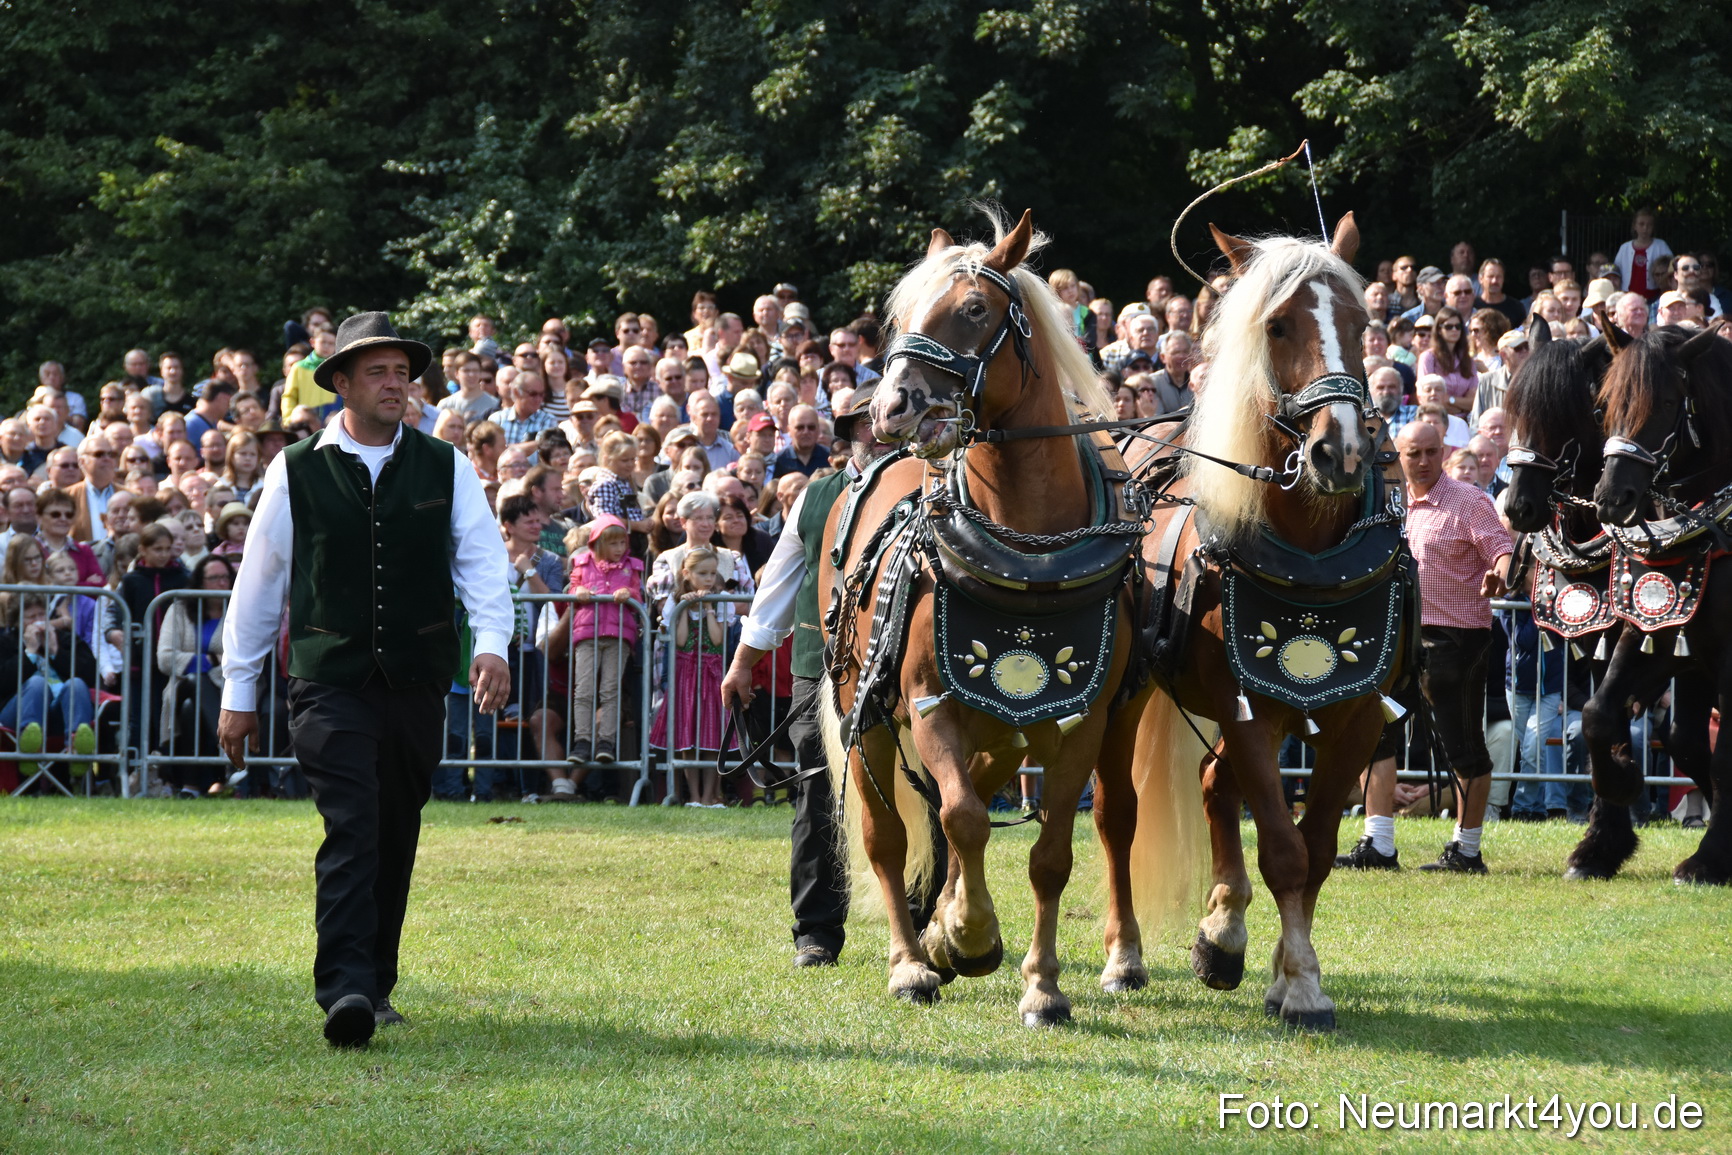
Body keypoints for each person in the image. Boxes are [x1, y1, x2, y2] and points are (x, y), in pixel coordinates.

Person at [217, 311, 513, 1049]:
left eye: (402, 371)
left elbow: (482, 564)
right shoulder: (296, 469)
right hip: (329, 680)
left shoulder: (445, 466)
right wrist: (237, 692)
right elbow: (257, 587)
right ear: (340, 381)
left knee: (396, 826)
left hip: (415, 679)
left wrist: (495, 645)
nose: (395, 383)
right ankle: (345, 985)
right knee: (352, 823)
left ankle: (376, 981)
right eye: (377, 371)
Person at [1339, 421, 1512, 874]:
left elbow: (1499, 545)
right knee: (1375, 734)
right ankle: (1377, 844)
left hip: (1456, 639)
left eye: (1431, 452)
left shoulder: (1470, 501)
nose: (1421, 462)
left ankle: (1467, 850)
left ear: (1443, 451)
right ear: (1398, 455)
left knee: (1463, 746)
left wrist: (1501, 570)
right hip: (1396, 636)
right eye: (1412, 453)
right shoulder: (1385, 503)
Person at [649, 546, 733, 806]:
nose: (709, 578)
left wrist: (707, 607)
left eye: (712, 573)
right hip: (686, 674)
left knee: (712, 736)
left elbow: (718, 640)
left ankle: (710, 796)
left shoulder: (720, 600)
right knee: (687, 735)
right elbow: (682, 639)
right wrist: (687, 605)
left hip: (712, 672)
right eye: (702, 573)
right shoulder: (677, 600)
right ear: (687, 573)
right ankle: (693, 796)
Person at [563, 515, 642, 784]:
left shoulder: (632, 567)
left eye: (622, 542)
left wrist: (629, 594)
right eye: (613, 543)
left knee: (610, 690)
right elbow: (573, 588)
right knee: (583, 689)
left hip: (619, 634)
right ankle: (582, 741)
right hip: (587, 633)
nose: (619, 548)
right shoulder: (581, 563)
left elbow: (638, 594)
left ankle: (605, 742)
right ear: (597, 544)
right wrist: (580, 590)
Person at [157, 554, 234, 797]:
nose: (222, 583)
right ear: (200, 582)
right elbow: (165, 659)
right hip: (181, 687)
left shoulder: (239, 611)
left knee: (191, 708)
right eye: (214, 578)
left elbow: (238, 658)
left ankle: (190, 787)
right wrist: (211, 660)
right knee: (193, 683)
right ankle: (229, 755)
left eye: (225, 577)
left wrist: (191, 660)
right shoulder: (179, 609)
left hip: (227, 689)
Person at [0, 594, 98, 779]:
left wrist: (55, 651)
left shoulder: (66, 639)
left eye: (41, 615)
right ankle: (29, 745)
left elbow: (91, 676)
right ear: (17, 622)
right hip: (16, 713)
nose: (38, 622)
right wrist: (29, 652)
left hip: (59, 713)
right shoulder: (6, 642)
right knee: (37, 684)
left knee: (75, 683)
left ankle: (77, 747)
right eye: (31, 617)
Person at [1614, 208, 1671, 303]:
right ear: (1634, 226)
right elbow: (1616, 271)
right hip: (1627, 297)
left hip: (1654, 296)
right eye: (1641, 224)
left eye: (1649, 225)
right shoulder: (1625, 248)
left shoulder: (1661, 246)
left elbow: (1671, 267)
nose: (1645, 228)